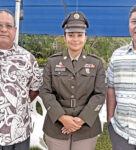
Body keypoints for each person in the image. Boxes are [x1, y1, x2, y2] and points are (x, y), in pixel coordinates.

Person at [39, 11, 106, 150]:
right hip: (56, 125)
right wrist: (62, 118)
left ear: (85, 37)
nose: (75, 39)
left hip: (86, 126)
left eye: (79, 35)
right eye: (71, 35)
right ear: (64, 38)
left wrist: (81, 120)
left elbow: (100, 95)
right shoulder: (52, 62)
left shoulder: (96, 63)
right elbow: (45, 92)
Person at [107, 1, 136, 150]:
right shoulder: (117, 55)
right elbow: (111, 88)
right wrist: (110, 119)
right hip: (121, 134)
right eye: (134, 21)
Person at [0, 10, 42, 150]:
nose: (4, 29)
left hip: (18, 133)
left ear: (15, 29)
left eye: (8, 26)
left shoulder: (27, 59)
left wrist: (18, 104)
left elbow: (35, 89)